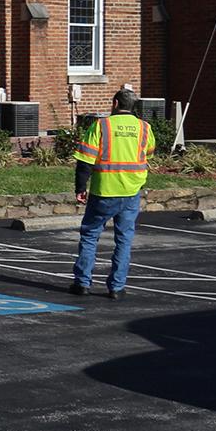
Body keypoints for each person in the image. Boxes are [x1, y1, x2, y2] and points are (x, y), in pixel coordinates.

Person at [70, 89, 153, 301]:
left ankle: (82, 283)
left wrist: (80, 188)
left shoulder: (101, 126)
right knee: (124, 240)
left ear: (115, 103)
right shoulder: (144, 128)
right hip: (131, 191)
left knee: (90, 235)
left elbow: (85, 160)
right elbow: (148, 153)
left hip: (104, 191)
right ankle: (116, 287)